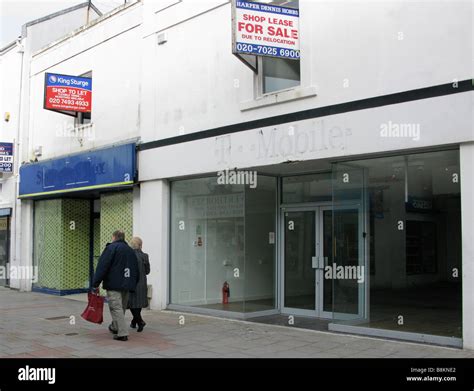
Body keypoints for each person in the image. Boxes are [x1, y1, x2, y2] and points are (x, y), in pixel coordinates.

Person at [92, 230, 138, 341]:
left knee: (116, 308)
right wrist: (134, 283)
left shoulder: (111, 248)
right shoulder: (130, 251)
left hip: (114, 284)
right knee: (120, 308)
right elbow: (136, 269)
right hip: (127, 285)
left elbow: (102, 267)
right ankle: (115, 326)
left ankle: (122, 333)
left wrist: (95, 283)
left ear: (114, 237)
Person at [127, 237, 150, 332]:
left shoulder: (128, 255)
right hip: (142, 283)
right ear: (140, 245)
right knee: (138, 303)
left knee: (132, 303)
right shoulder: (145, 256)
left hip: (132, 282)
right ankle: (135, 321)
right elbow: (148, 271)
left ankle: (139, 321)